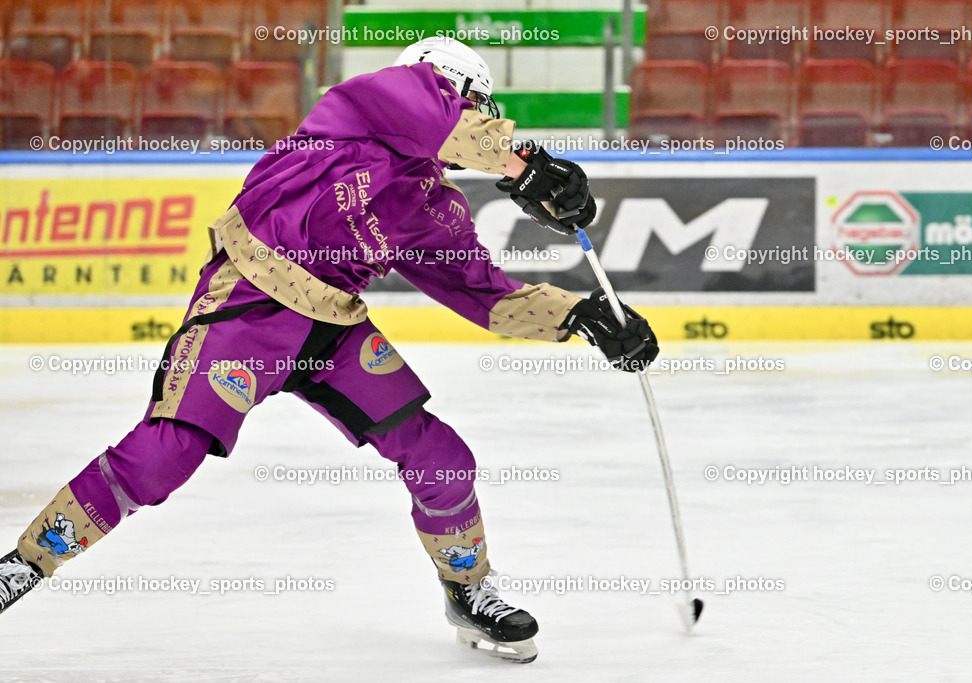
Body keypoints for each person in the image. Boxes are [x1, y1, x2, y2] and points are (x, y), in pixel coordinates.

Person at [0, 38, 658, 663]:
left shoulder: (433, 206)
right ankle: (25, 561)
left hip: (332, 328)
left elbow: (488, 297)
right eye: (471, 107)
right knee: (166, 453)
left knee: (442, 456)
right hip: (250, 302)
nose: (472, 125)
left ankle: (468, 588)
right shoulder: (369, 103)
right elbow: (434, 111)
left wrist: (586, 317)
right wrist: (528, 165)